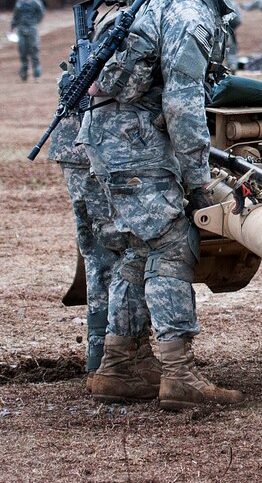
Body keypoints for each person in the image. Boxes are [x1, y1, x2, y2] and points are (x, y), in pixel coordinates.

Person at [78, 0, 262, 410]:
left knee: (141, 247)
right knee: (172, 242)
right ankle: (178, 373)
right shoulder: (188, 11)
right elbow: (184, 106)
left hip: (118, 139)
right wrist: (199, 181)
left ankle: (119, 367)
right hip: (134, 143)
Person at [48, 57, 160, 392]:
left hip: (75, 146)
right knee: (118, 254)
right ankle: (117, 360)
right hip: (99, 147)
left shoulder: (103, 34)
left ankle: (99, 357)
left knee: (98, 257)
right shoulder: (133, 32)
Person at [11, 0, 45, 81]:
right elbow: (15, 16)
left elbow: (41, 13)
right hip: (21, 29)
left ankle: (37, 74)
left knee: (34, 50)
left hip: (32, 29)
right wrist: (12, 27)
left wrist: (34, 22)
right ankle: (24, 74)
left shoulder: (35, 2)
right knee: (23, 52)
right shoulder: (19, 2)